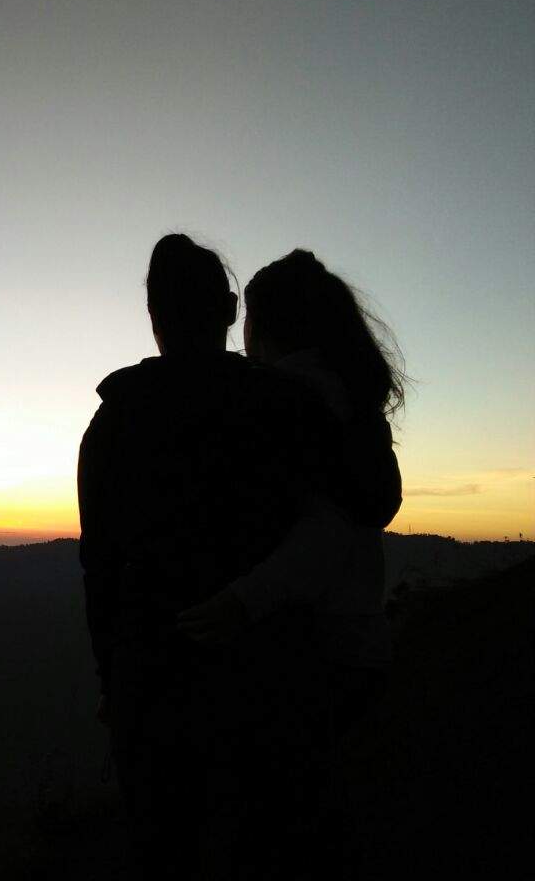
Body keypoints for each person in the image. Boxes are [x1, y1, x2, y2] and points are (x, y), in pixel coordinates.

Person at [78, 235, 337, 880]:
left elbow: (101, 568)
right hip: (270, 677)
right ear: (228, 309)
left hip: (153, 679)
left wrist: (114, 676)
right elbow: (357, 511)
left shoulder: (113, 424)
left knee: (166, 854)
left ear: (154, 317)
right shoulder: (287, 407)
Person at [177, 249, 405, 878]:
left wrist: (244, 599)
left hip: (316, 647)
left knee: (281, 832)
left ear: (267, 324)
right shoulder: (347, 401)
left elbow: (330, 527)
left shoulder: (292, 399)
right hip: (356, 640)